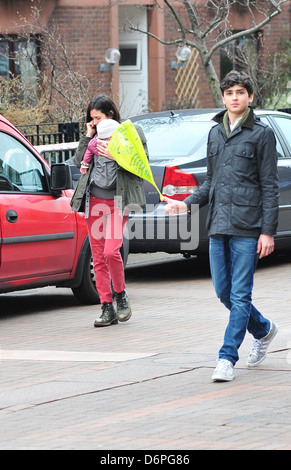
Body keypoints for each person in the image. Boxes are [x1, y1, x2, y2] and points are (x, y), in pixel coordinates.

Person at [164, 70, 279, 382]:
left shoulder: (261, 134)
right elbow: (211, 183)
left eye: (240, 92)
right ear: (224, 97)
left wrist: (267, 231)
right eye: (230, 93)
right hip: (218, 224)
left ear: (250, 97)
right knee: (223, 292)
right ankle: (264, 329)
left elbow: (269, 186)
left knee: (241, 294)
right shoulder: (215, 133)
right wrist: (185, 203)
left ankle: (227, 357)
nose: (235, 97)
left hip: (248, 226)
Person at [71, 94, 148, 327]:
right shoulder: (93, 137)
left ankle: (121, 295)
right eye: (91, 119)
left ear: (111, 115)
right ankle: (107, 307)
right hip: (94, 201)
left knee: (111, 250)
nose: (94, 123)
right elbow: (78, 162)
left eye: (98, 118)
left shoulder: (131, 134)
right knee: (97, 255)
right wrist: (87, 136)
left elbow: (142, 164)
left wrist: (116, 155)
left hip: (118, 201)